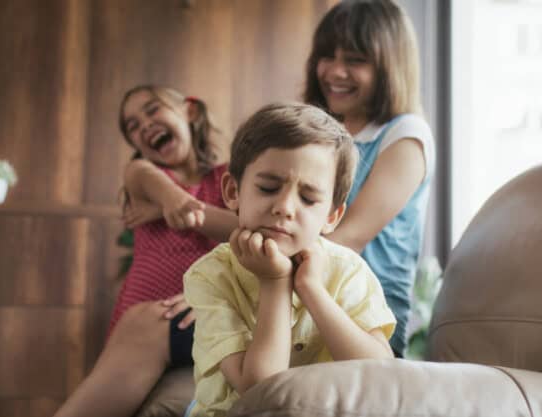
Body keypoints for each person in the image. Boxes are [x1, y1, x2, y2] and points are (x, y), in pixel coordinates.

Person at [184, 102, 396, 417]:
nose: (285, 207)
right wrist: (276, 283)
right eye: (269, 188)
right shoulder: (210, 275)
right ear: (232, 191)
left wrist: (311, 288)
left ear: (332, 216)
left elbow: (381, 378)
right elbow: (261, 391)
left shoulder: (348, 270)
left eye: (308, 198)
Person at [54, 85, 237, 417]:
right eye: (133, 127)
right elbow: (181, 204)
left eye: (153, 110)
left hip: (185, 313)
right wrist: (173, 205)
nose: (144, 125)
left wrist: (175, 210)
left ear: (190, 111)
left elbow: (240, 229)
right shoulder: (141, 174)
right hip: (144, 320)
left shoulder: (228, 178)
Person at [303, 0, 435, 356]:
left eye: (355, 60)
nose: (334, 71)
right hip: (306, 292)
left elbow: (347, 238)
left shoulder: (405, 135)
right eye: (327, 56)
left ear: (390, 67)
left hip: (367, 318)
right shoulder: (322, 131)